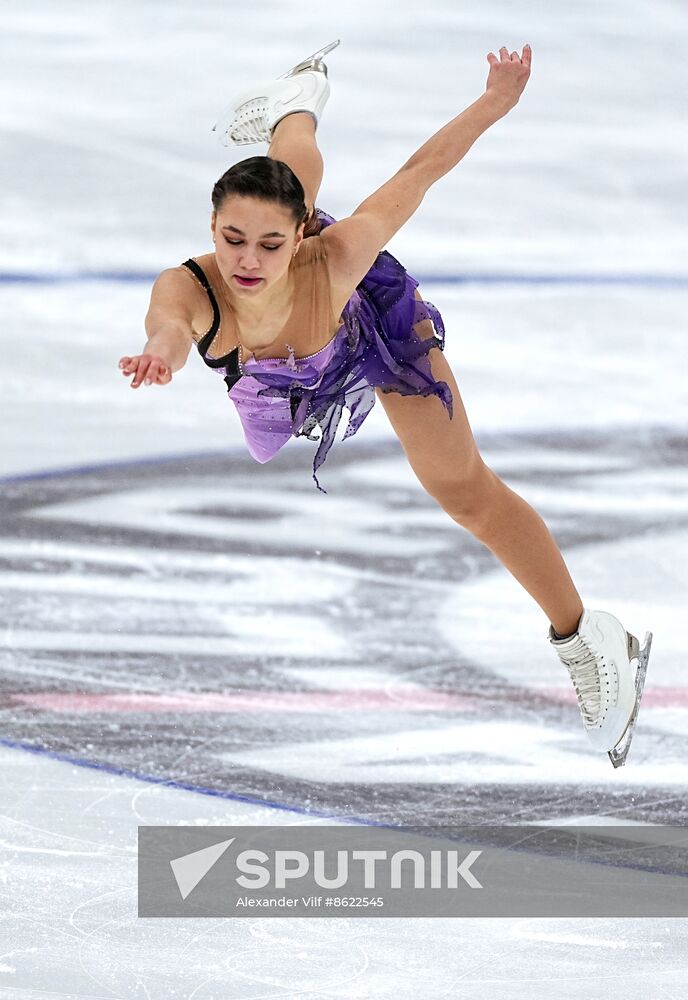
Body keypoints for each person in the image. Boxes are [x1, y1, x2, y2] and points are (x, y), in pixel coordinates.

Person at [118, 41, 651, 766]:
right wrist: (160, 355)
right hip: (280, 366)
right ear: (211, 228)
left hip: (371, 324)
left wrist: (494, 101)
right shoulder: (191, 287)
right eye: (231, 238)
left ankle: (590, 639)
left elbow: (419, 174)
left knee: (463, 492)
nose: (247, 259)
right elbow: (171, 327)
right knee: (284, 177)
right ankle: (298, 99)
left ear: (301, 236)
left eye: (268, 244)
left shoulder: (337, 256)